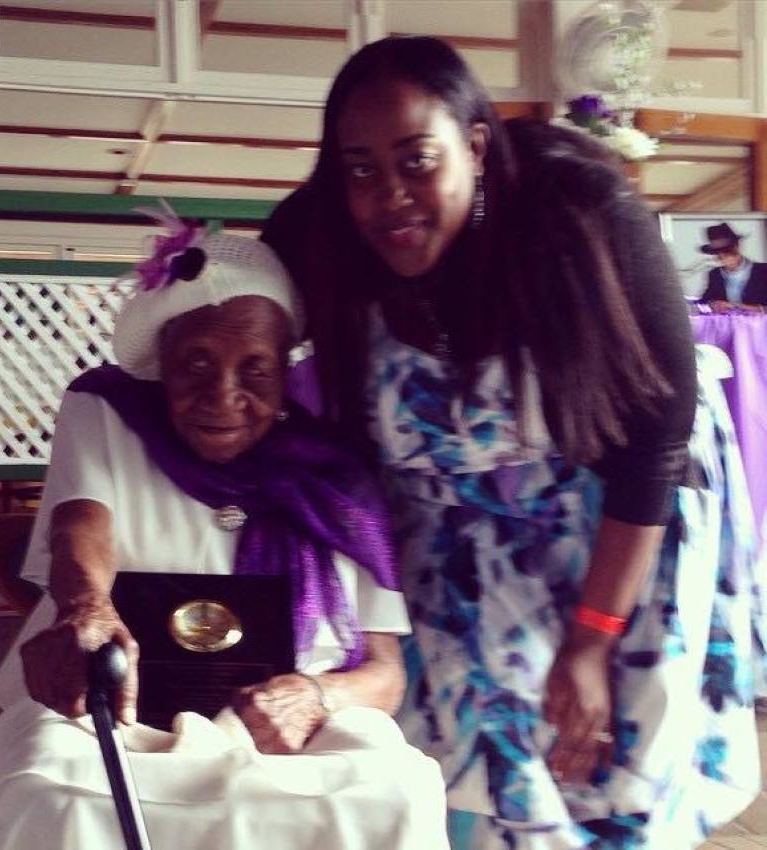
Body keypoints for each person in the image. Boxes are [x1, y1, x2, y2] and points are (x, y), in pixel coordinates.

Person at [262, 35, 766, 850]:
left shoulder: (582, 211)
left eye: (417, 161)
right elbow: (215, 304)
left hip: (628, 516)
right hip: (457, 529)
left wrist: (593, 639)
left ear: (475, 145)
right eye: (361, 169)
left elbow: (657, 439)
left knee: (601, 763)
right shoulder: (322, 226)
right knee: (461, 760)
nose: (389, 196)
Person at [0, 223, 449, 850]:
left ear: (285, 373)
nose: (223, 396)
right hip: (118, 706)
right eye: (197, 362)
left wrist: (314, 694)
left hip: (291, 728)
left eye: (254, 368)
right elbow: (78, 527)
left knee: (396, 789)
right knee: (50, 788)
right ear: (163, 364)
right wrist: (86, 606)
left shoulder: (338, 479)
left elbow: (384, 674)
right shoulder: (107, 416)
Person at [698, 222, 767, 311]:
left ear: (737, 247)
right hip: (726, 324)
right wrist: (712, 304)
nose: (727, 259)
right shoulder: (715, 274)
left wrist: (735, 306)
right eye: (720, 256)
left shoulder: (763, 271)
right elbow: (704, 301)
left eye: (730, 252)